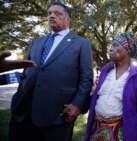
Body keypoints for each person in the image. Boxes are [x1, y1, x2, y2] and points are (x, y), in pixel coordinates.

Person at [9, 2, 93, 141]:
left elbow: (86, 77)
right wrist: (19, 97)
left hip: (57, 114)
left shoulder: (81, 43)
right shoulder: (35, 42)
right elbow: (26, 73)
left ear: (68, 19)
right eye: (49, 13)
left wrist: (77, 104)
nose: (52, 16)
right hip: (24, 112)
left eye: (58, 13)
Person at [84, 32, 137, 141]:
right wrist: (77, 105)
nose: (111, 49)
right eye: (111, 45)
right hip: (97, 128)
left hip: (122, 130)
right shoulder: (105, 70)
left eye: (115, 45)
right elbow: (97, 97)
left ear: (127, 50)